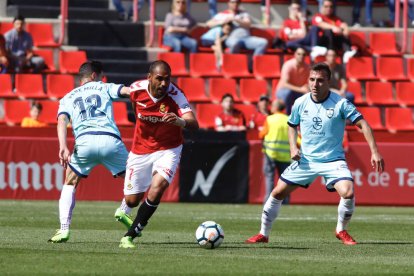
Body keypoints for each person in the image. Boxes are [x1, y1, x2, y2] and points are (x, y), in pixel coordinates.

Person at [246, 63, 385, 245]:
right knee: (277, 192)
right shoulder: (300, 102)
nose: (315, 84)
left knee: (348, 192)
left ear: (328, 82)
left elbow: (363, 124)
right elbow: (291, 126)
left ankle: (341, 230)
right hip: (306, 159)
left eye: (320, 80)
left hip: (332, 159)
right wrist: (294, 148)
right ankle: (263, 234)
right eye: (312, 80)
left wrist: (375, 152)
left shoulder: (340, 103)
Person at [48, 61, 132, 243]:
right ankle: (123, 210)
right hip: (110, 140)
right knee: (136, 178)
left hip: (84, 143)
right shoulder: (104, 87)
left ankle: (63, 229)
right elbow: (127, 91)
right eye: (101, 76)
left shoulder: (68, 97)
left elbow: (62, 120)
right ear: (95, 76)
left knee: (70, 182)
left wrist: (63, 146)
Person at [119, 60, 199, 248]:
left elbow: (194, 124)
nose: (164, 84)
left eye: (167, 79)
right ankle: (125, 210)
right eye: (159, 79)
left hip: (168, 149)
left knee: (158, 187)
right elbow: (135, 109)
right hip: (140, 149)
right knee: (132, 200)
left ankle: (131, 234)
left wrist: (180, 122)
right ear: (149, 78)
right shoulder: (136, 90)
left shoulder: (176, 94)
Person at [203, 0, 267, 56]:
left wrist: (236, 19)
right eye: (233, 2)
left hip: (246, 39)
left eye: (237, 2)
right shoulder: (223, 14)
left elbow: (248, 24)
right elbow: (209, 23)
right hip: (232, 38)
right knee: (234, 43)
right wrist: (224, 21)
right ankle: (231, 65)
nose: (235, 4)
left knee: (263, 42)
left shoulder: (244, 13)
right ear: (229, 3)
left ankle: (253, 65)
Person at [260, 100, 291, 203]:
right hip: (285, 156)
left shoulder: (269, 119)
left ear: (275, 108)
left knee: (269, 178)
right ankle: (285, 202)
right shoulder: (288, 119)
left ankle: (268, 202)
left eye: (272, 106)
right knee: (285, 182)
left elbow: (261, 134)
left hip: (270, 154)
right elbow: (297, 137)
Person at [275, 47, 310, 115]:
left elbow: (309, 83)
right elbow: (285, 84)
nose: (301, 56)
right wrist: (301, 89)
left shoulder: (307, 67)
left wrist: (307, 88)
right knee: (288, 93)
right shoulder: (288, 65)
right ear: (295, 55)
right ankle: (287, 117)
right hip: (283, 91)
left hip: (298, 92)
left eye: (303, 54)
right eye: (299, 54)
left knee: (310, 95)